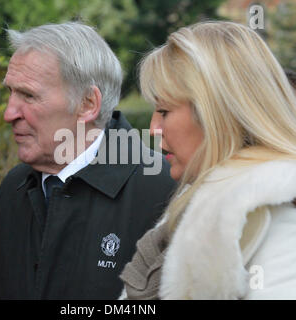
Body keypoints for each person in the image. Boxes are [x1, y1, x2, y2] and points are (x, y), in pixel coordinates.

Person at [0, 22, 176, 299]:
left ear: (88, 104)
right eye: (10, 92)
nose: (9, 112)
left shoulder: (163, 190)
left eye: (28, 95)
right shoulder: (15, 187)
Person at [119, 21, 296, 300]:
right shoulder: (197, 201)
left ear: (215, 114)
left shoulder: (280, 223)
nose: (153, 129)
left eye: (164, 111)